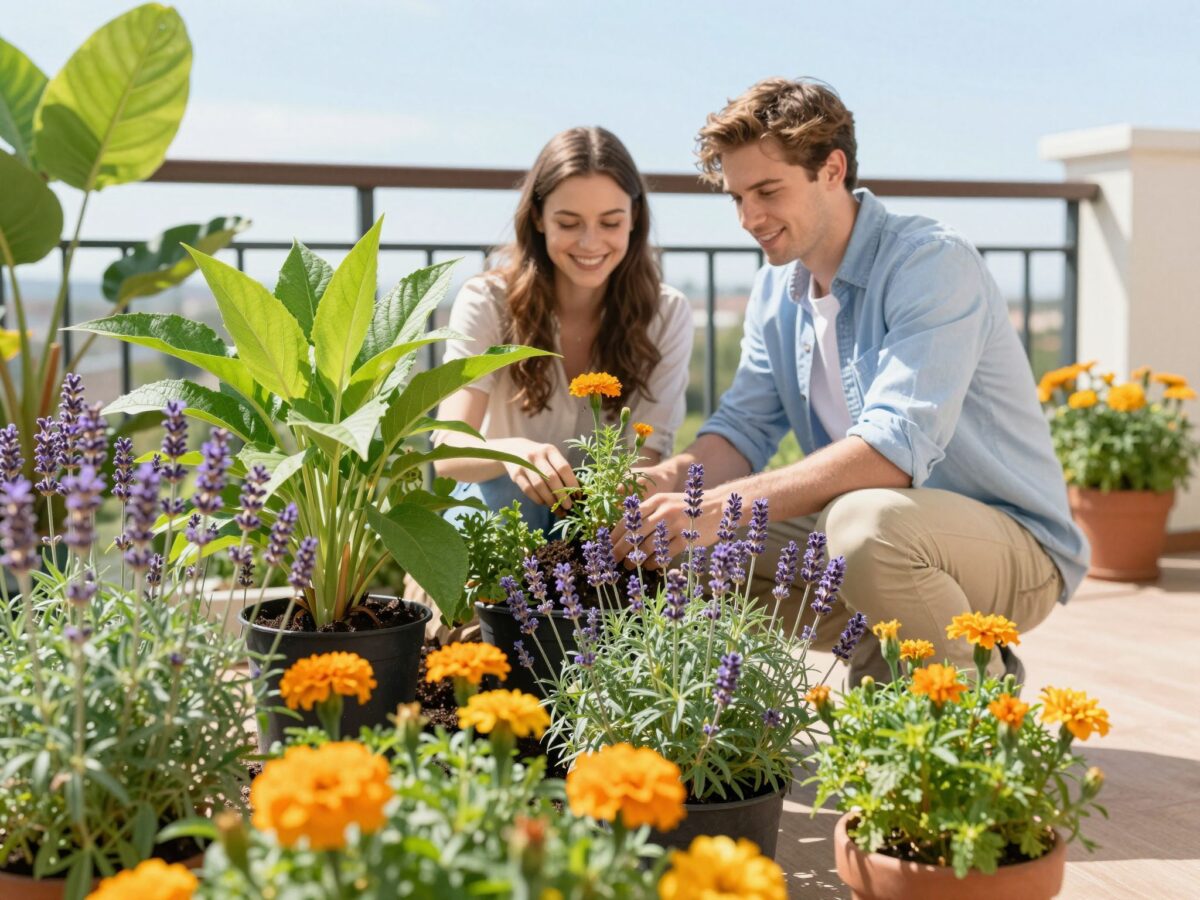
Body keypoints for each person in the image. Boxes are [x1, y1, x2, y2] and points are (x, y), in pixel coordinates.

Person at [615, 78, 1089, 684]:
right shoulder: (775, 291)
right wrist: (664, 482)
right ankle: (895, 662)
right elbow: (741, 429)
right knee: (691, 549)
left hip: (1010, 549)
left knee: (860, 529)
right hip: (882, 540)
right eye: (736, 198)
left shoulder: (930, 264)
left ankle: (973, 689)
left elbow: (895, 450)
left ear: (831, 169)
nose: (748, 218)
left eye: (766, 190)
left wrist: (720, 504)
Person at [432, 126, 693, 535]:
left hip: (600, 527)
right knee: (503, 497)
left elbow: (646, 463)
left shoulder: (666, 313)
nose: (590, 243)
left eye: (610, 222)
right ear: (537, 217)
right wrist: (513, 453)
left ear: (634, 219)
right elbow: (447, 455)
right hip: (502, 513)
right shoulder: (487, 301)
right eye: (569, 223)